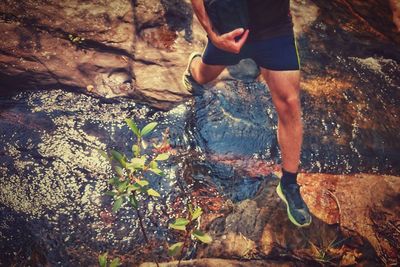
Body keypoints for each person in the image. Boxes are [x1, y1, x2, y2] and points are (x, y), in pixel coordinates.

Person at [183, 0, 312, 227]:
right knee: (203, 76)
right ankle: (193, 66)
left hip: (275, 31)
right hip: (230, 29)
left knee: (290, 103)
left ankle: (289, 184)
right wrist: (212, 35)